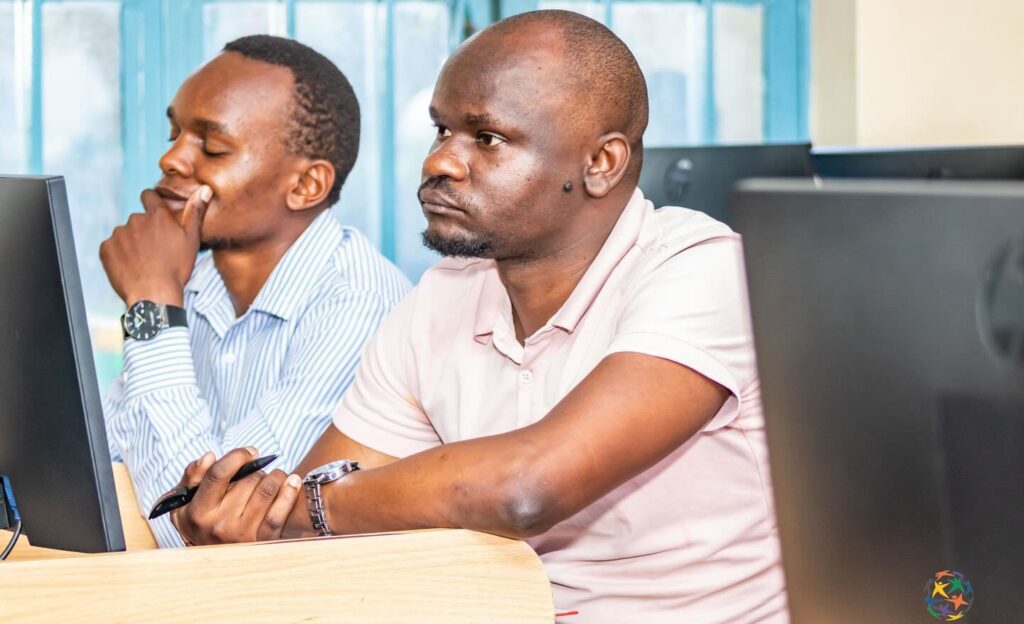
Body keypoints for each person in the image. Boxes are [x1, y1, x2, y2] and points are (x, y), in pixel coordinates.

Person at [170, 12, 787, 622]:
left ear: (601, 164)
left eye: (486, 139)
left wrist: (297, 508)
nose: (440, 163)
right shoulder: (442, 298)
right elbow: (316, 529)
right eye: (441, 131)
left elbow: (526, 488)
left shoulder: (702, 269)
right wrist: (248, 514)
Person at [99, 35, 410, 548]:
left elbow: (212, 533)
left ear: (306, 185)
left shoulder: (358, 306)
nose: (172, 159)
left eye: (212, 147)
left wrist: (150, 304)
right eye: (174, 131)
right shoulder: (191, 281)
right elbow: (102, 469)